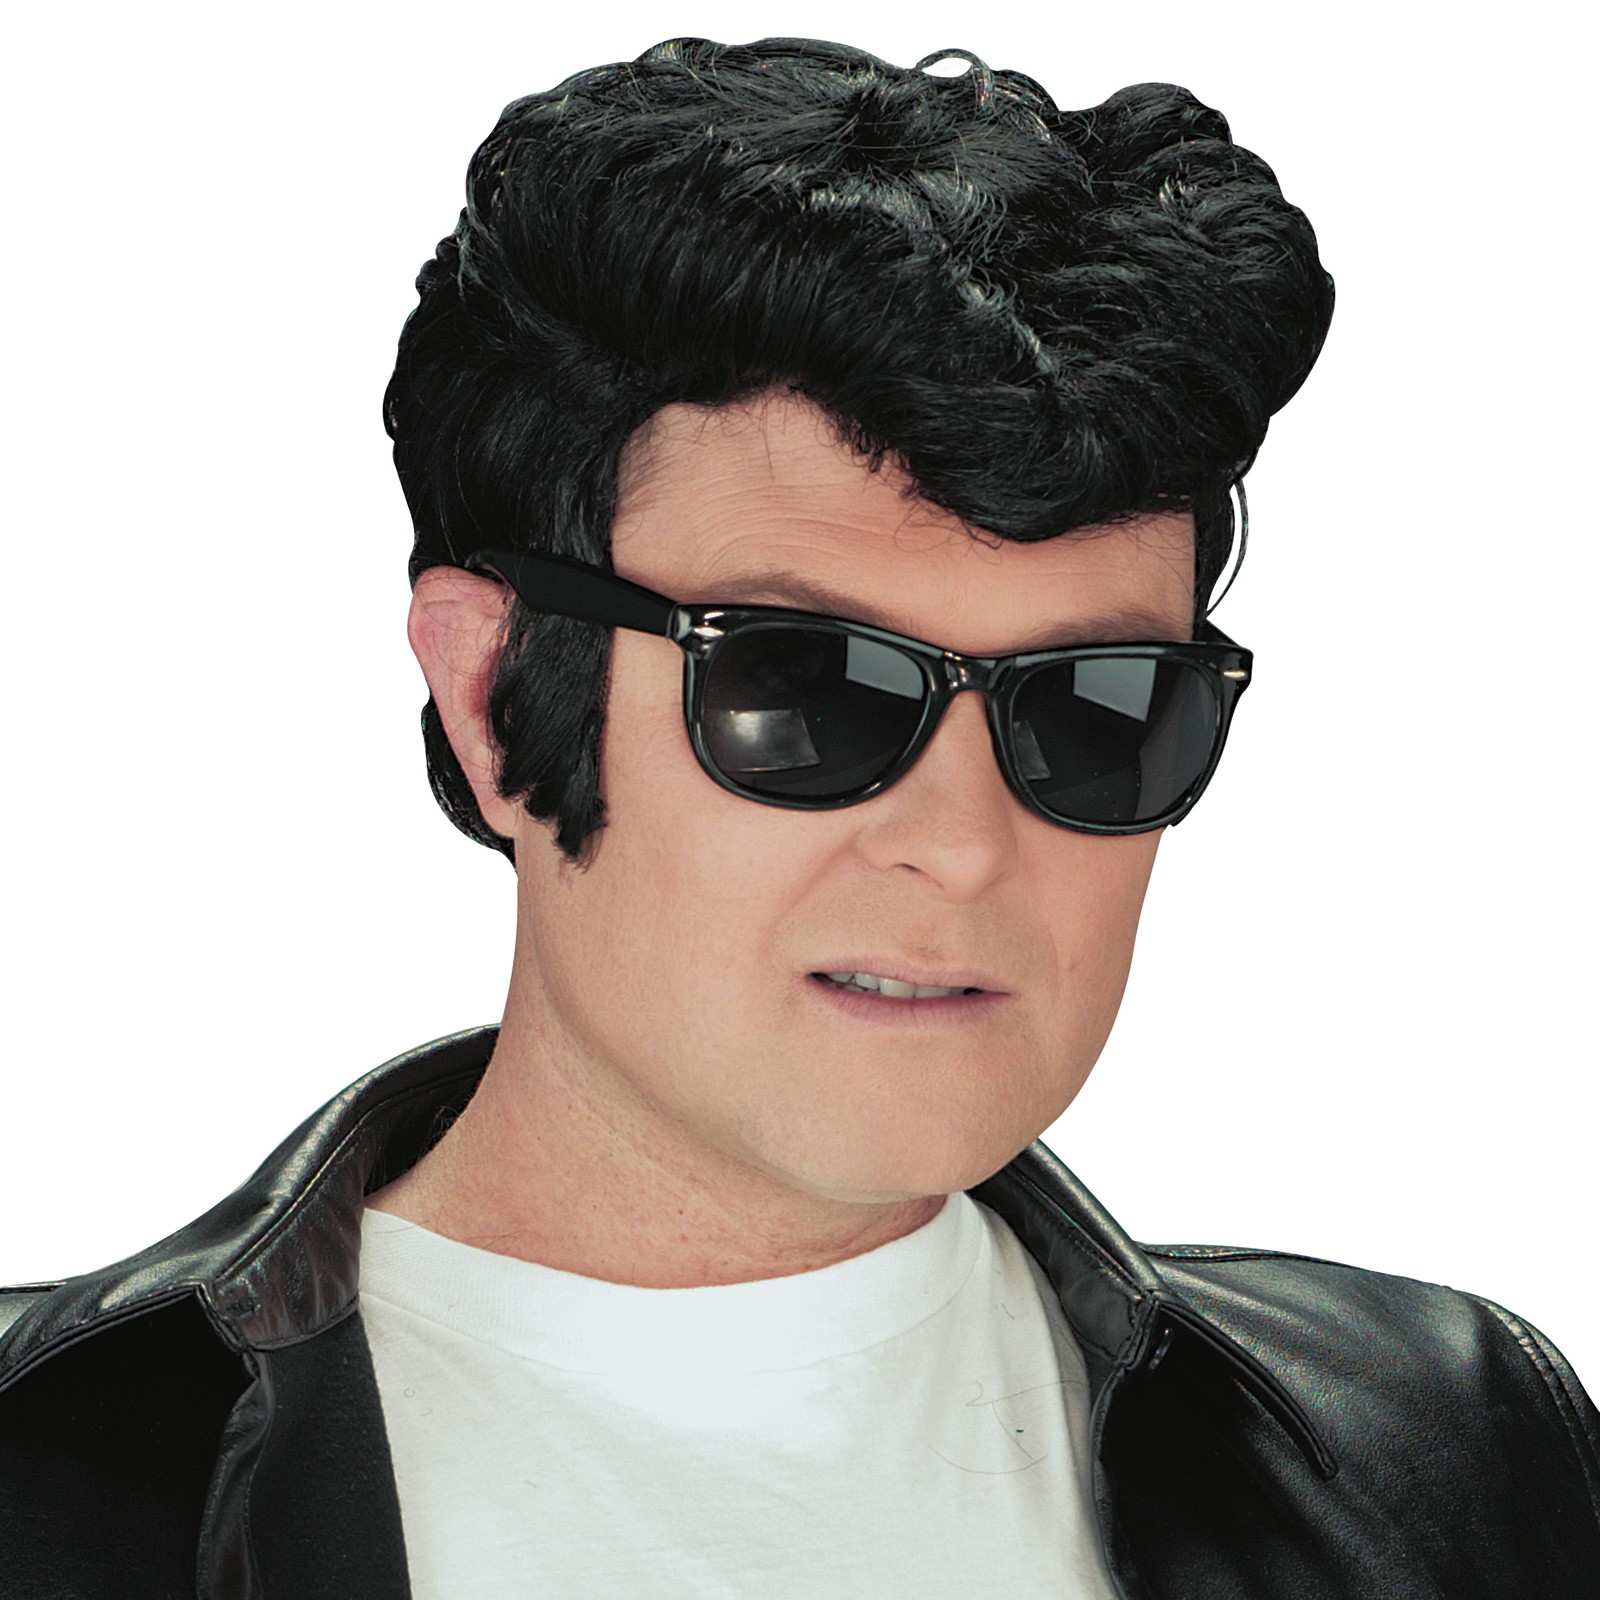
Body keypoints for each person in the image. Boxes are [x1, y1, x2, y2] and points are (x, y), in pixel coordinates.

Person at [1, 34, 1594, 1600]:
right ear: (491, 697)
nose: (962, 844)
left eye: (1098, 708)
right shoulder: (42, 1478)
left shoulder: (1443, 1461)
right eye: (809, 689)